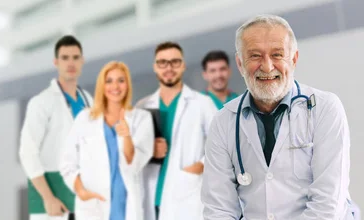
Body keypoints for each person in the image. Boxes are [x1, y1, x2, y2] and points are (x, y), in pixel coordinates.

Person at [201, 14, 355, 219]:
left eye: (277, 54)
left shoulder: (324, 108)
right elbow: (219, 209)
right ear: (240, 64)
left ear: (294, 59)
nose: (267, 66)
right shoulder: (223, 122)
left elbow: (328, 205)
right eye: (255, 55)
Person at [60, 61, 154, 220]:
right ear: (102, 86)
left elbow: (136, 162)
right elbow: (67, 162)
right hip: (93, 205)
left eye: (121, 80)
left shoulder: (141, 118)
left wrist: (127, 136)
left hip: (126, 206)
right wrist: (81, 191)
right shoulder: (85, 118)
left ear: (128, 85)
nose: (115, 86)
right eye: (109, 81)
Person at [135, 41, 218, 220]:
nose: (169, 68)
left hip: (186, 194)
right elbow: (131, 151)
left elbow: (223, 145)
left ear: (183, 66)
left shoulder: (202, 103)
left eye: (175, 62)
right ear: (155, 68)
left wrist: (200, 166)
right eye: (162, 63)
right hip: (150, 194)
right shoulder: (142, 106)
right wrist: (149, 151)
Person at [19, 35, 94, 220]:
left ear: (82, 61)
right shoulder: (41, 102)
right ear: (56, 62)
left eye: (76, 57)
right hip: (54, 199)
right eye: (65, 58)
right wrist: (48, 197)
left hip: (84, 197)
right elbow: (27, 152)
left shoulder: (89, 100)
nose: (71, 63)